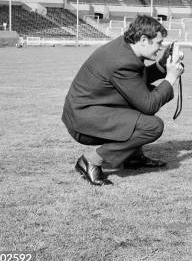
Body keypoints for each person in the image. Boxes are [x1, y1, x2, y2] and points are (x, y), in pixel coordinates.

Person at [62, 15, 184, 186]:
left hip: (91, 108)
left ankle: (133, 157)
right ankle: (90, 161)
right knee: (152, 126)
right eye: (158, 43)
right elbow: (149, 105)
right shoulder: (122, 61)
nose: (160, 48)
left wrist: (162, 66)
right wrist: (170, 78)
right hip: (83, 119)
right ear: (143, 39)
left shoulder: (126, 47)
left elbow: (134, 81)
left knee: (138, 104)